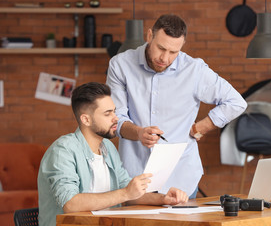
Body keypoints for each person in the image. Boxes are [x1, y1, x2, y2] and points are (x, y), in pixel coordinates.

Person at [106, 14, 247, 198]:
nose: (165, 58)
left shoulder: (194, 70)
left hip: (180, 178)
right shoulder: (120, 65)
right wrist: (139, 133)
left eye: (174, 52)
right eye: (161, 48)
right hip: (135, 179)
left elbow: (236, 102)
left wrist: (200, 128)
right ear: (149, 36)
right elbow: (117, 119)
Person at [37, 82, 188, 226]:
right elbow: (70, 204)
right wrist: (126, 193)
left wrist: (164, 198)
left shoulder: (107, 147)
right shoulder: (62, 151)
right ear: (86, 119)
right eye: (108, 113)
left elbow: (129, 193)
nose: (116, 118)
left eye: (114, 111)